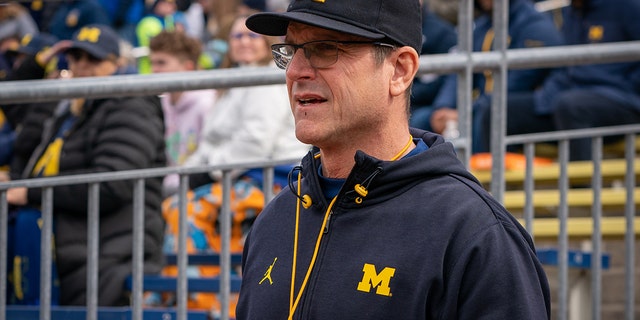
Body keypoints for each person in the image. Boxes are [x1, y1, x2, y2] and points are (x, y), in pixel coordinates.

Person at [236, 0, 551, 319]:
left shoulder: (472, 233)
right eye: (291, 50)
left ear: (400, 70)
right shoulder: (275, 219)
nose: (296, 71)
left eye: (324, 48)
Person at [154, 11, 309, 317]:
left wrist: (209, 172)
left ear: (266, 44)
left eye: (251, 36)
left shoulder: (265, 79)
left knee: (185, 210)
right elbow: (209, 144)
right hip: (236, 177)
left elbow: (254, 142)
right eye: (237, 36)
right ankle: (189, 296)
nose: (243, 42)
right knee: (177, 202)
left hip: (272, 181)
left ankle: (197, 303)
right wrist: (187, 175)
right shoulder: (230, 85)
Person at [2, 24, 166, 306]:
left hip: (107, 243)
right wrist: (50, 98)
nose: (83, 66)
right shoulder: (74, 103)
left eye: (94, 59)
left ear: (118, 64)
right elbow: (22, 138)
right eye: (76, 58)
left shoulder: (131, 101)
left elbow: (112, 183)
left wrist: (30, 193)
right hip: (69, 233)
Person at [428, 0, 564, 153]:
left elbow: (515, 85)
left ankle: (476, 176)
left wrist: (465, 112)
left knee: (486, 117)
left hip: (510, 109)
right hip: (477, 105)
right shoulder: (482, 24)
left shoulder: (535, 26)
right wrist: (442, 107)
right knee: (423, 119)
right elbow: (457, 71)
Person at [540, 0, 640, 160]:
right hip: (569, 99)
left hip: (624, 103)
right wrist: (545, 98)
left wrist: (624, 87)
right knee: (502, 110)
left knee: (571, 106)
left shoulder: (629, 6)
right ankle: (495, 184)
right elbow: (564, 65)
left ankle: (582, 185)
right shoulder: (572, 11)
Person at [148, 30, 216, 196]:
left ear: (188, 67)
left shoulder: (207, 103)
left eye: (162, 63)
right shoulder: (162, 102)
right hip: (168, 189)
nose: (154, 70)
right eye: (153, 63)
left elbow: (208, 156)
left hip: (196, 189)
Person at [135, 0, 189, 73]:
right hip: (148, 72)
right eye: (168, 4)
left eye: (173, 3)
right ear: (158, 4)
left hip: (165, 71)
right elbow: (159, 46)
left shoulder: (169, 21)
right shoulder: (149, 22)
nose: (173, 6)